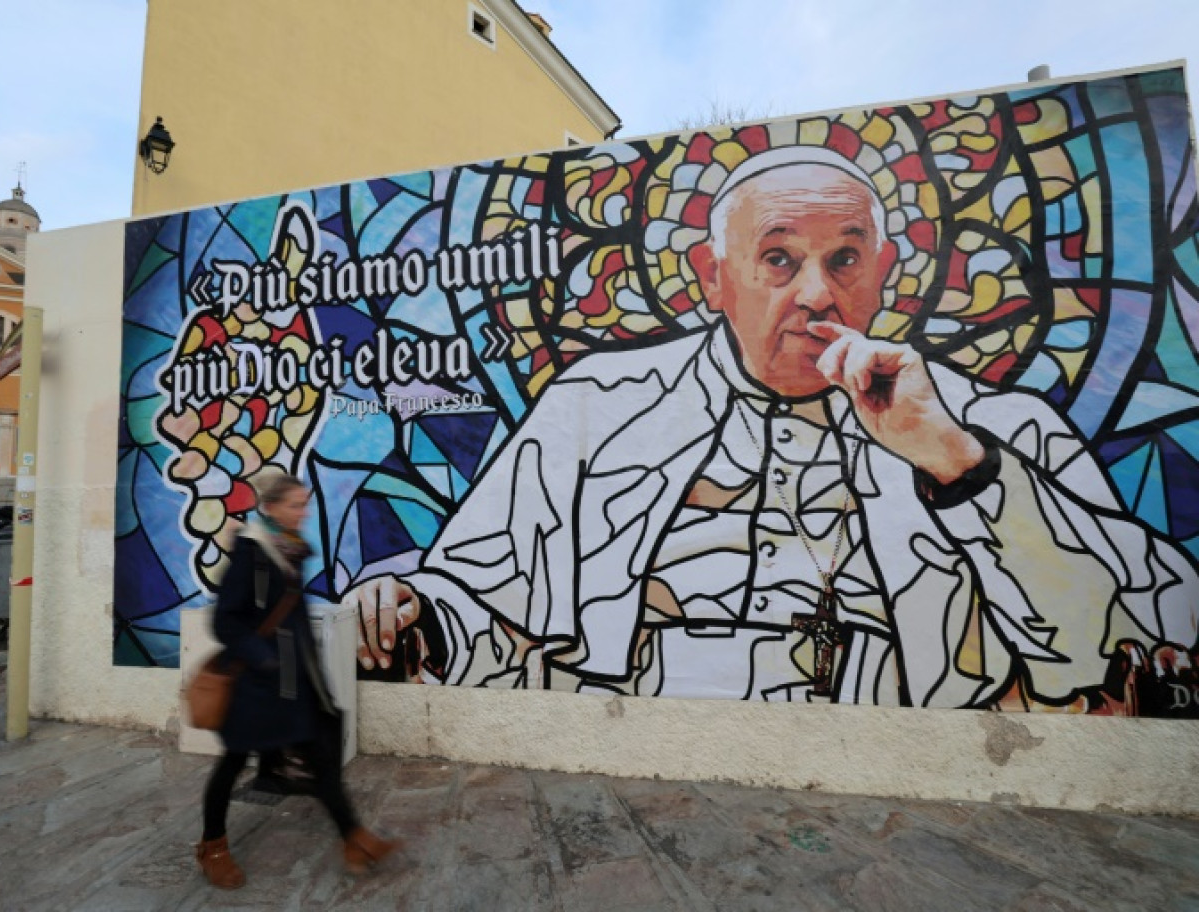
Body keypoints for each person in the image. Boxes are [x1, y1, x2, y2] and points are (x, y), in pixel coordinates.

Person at [345, 145, 1199, 713]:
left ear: (886, 272)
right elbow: (491, 596)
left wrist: (955, 463)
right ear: (715, 276)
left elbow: (1118, 630)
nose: (819, 296)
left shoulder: (992, 427)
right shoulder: (596, 404)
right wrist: (418, 612)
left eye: (846, 259)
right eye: (780, 259)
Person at [197, 474, 398, 889]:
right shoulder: (251, 554)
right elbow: (224, 621)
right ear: (270, 508)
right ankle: (212, 846)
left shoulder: (289, 550)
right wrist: (263, 658)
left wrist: (311, 674)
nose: (303, 513)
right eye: (294, 505)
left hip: (295, 684)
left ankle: (354, 838)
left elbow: (293, 620)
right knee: (233, 763)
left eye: (305, 504)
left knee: (323, 763)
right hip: (255, 687)